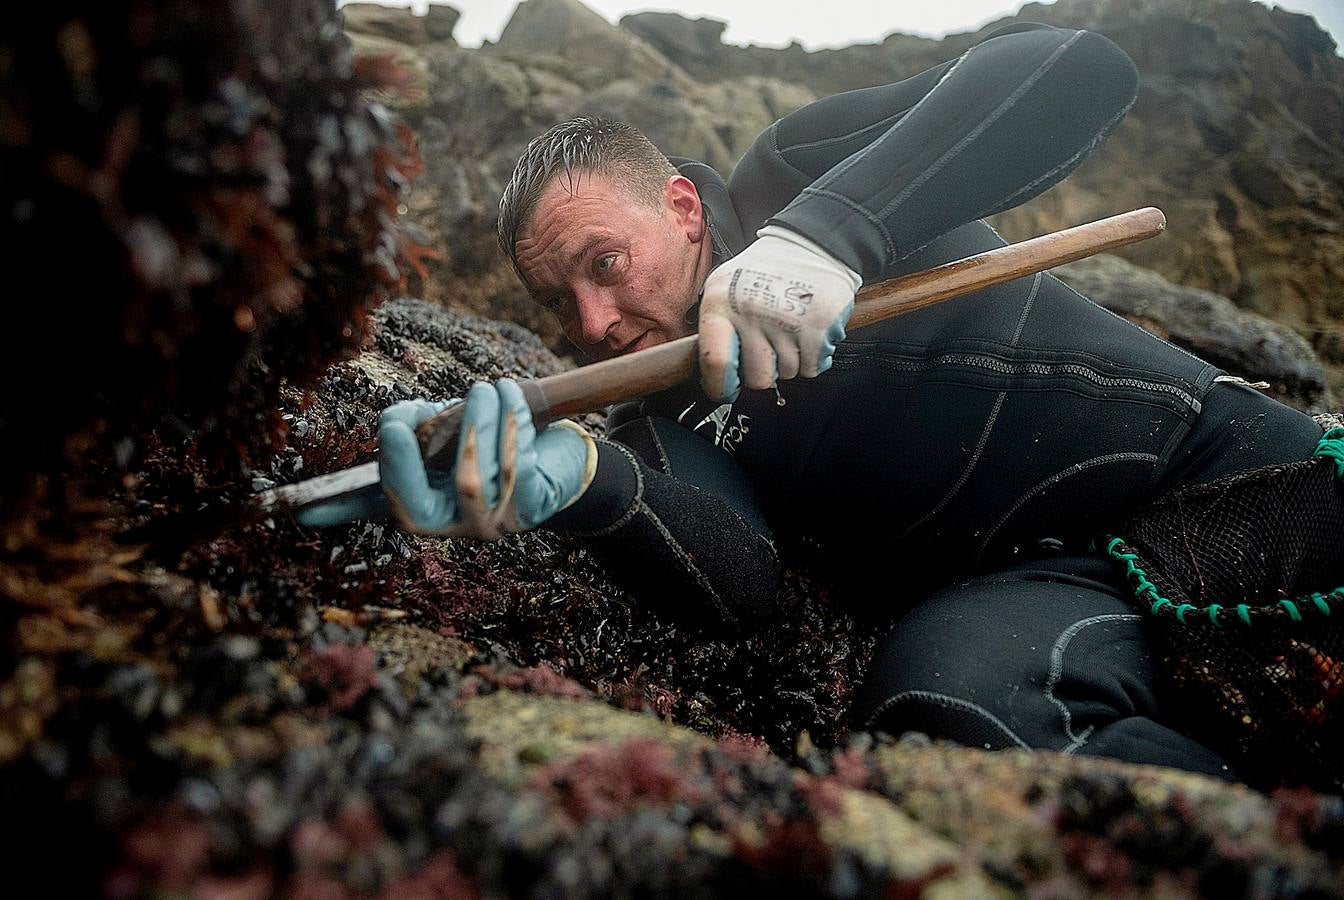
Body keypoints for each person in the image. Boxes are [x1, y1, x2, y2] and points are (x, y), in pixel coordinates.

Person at [300, 22, 1325, 781]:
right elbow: (741, 576)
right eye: (558, 301)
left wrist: (830, 234)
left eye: (604, 263)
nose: (595, 319)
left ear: (685, 207)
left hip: (1215, 461)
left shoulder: (793, 172)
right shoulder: (650, 424)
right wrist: (575, 479)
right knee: (941, 705)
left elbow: (1081, 73)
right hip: (1054, 591)